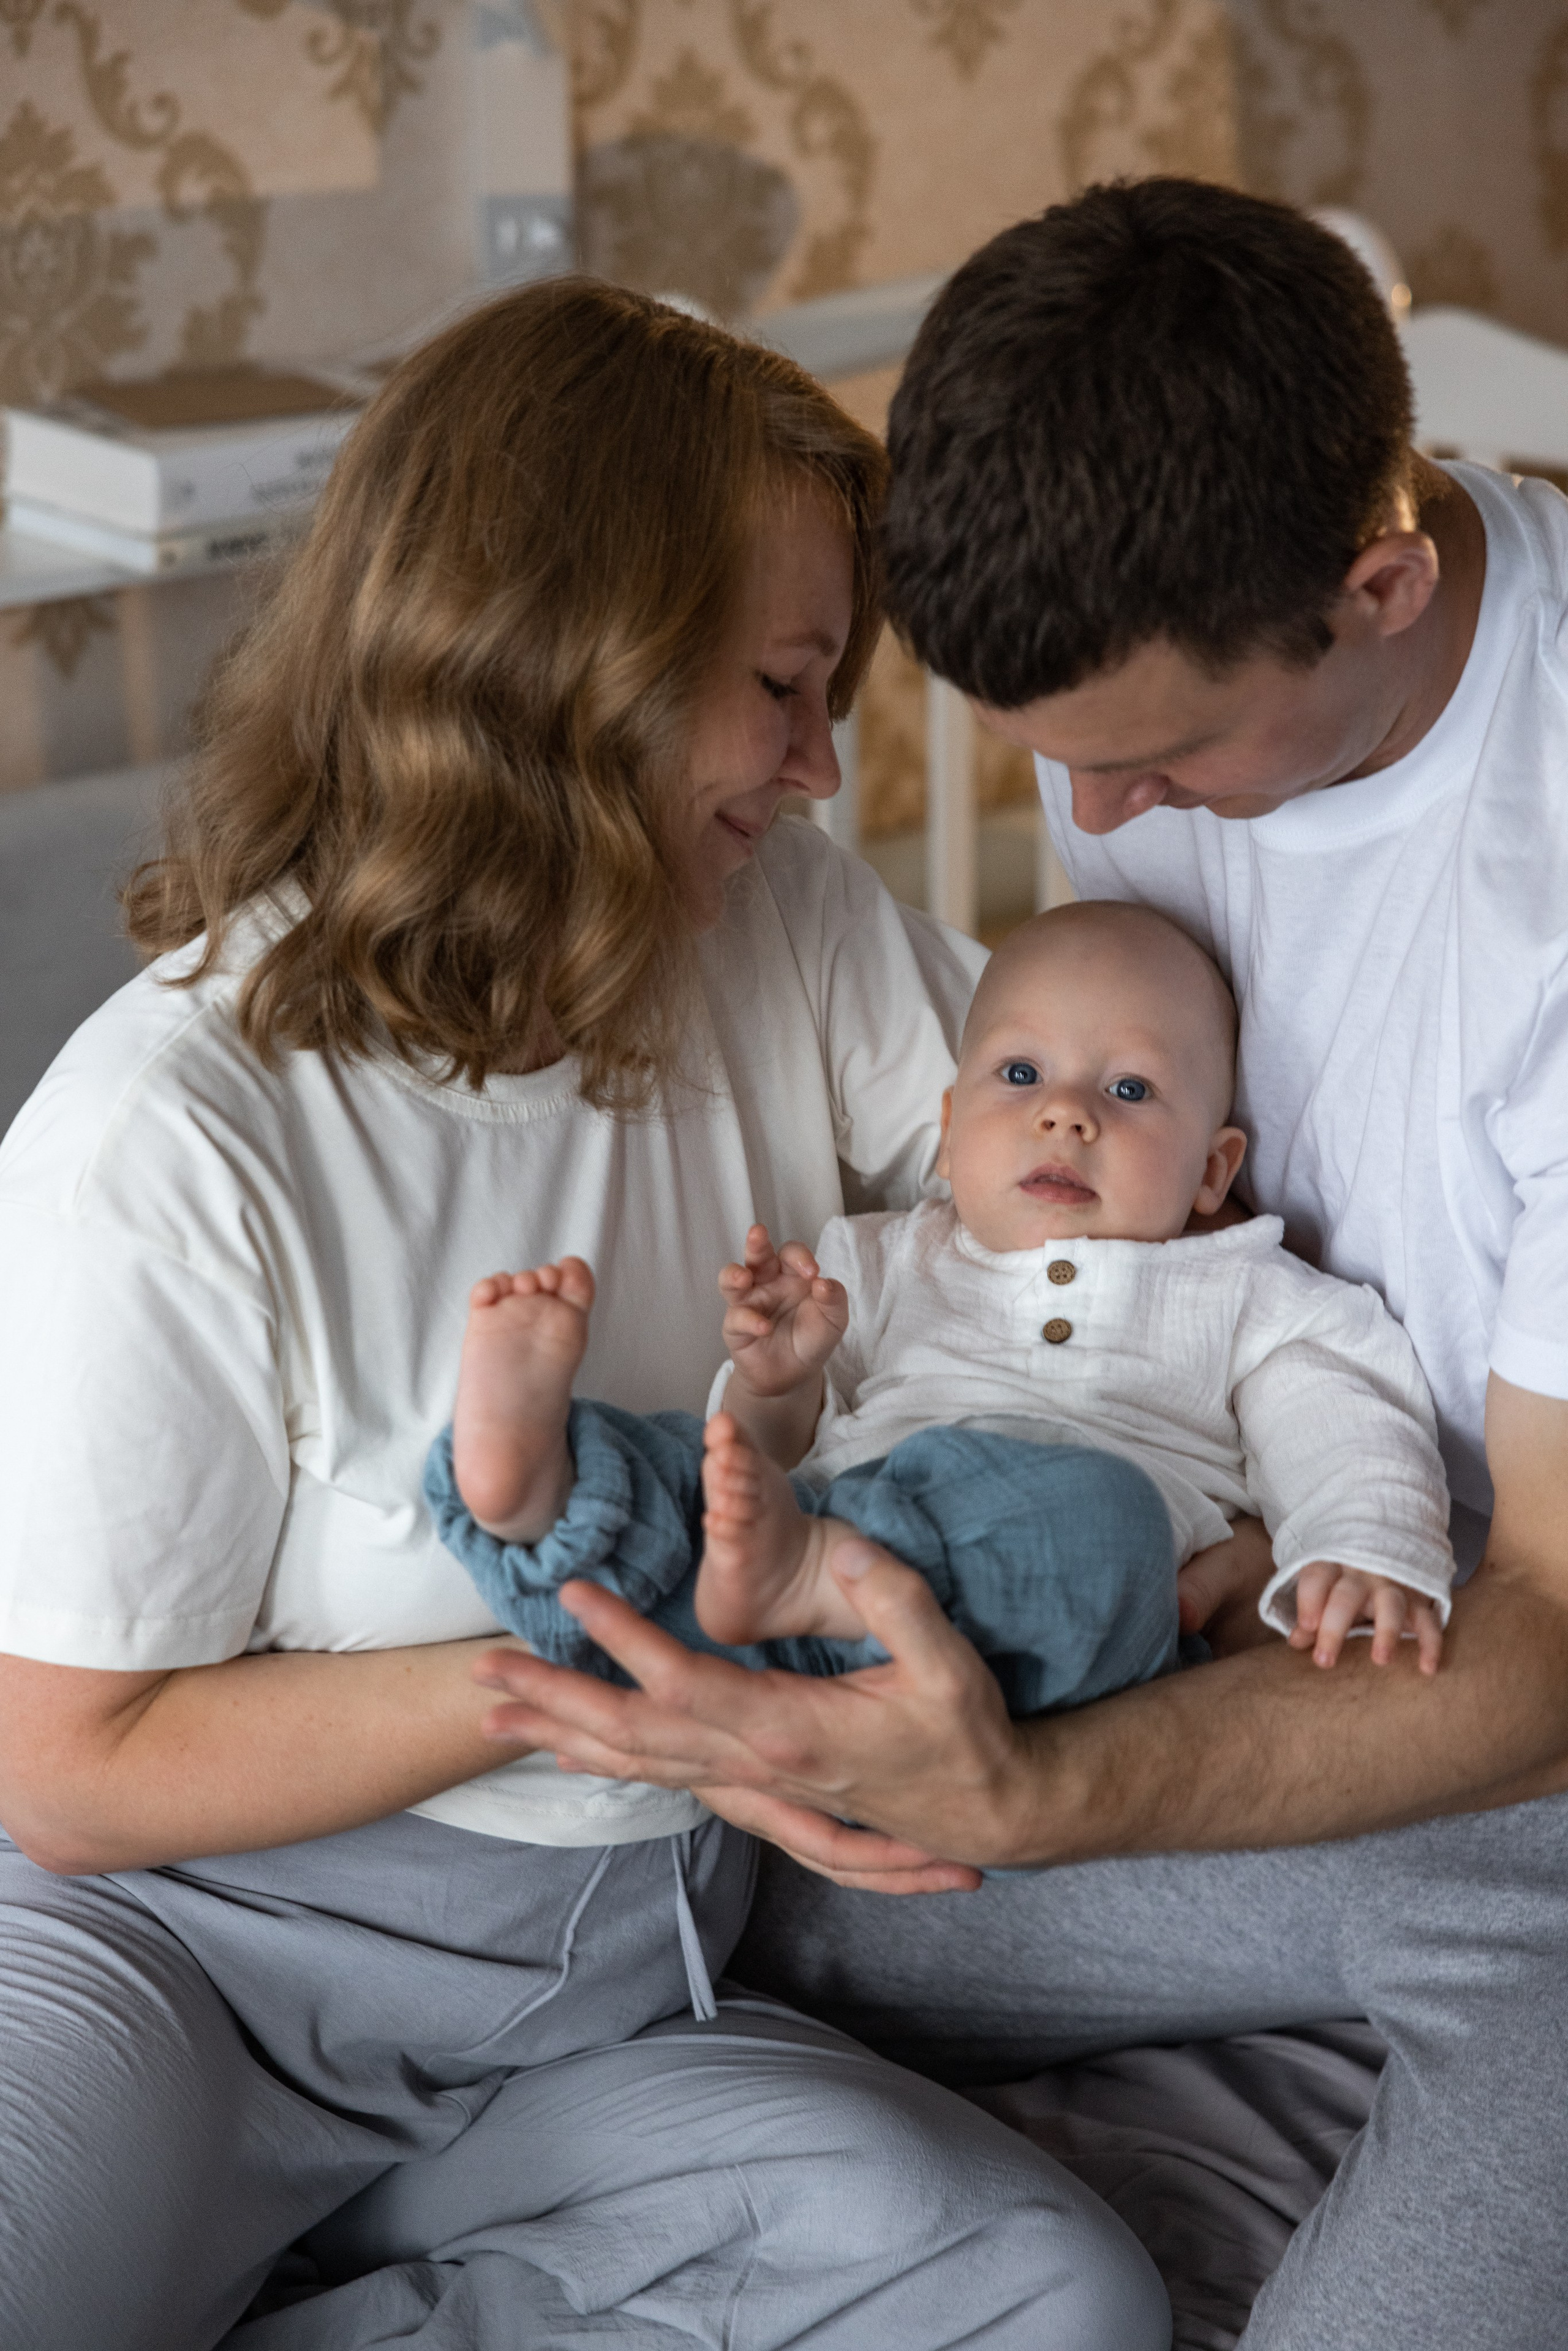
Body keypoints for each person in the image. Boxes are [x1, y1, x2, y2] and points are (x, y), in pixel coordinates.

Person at [0, 279, 1175, 2351]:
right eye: (785, 687)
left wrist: (1251, 1501)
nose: (823, 769)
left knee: (1043, 2287)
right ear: (576, 670)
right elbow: (79, 1771)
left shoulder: (779, 931)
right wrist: (617, 1687)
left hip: (604, 1990)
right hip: (185, 1959)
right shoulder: (166, 1135)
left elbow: (1082, 1210)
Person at [473, 184, 1568, 2350]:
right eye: (1051, 748)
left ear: (1382, 584)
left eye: (1152, 758)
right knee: (736, 1898)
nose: (1097, 805)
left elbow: (1555, 1635)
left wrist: (1042, 1785)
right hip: (1204, 1626)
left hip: (1500, 1708)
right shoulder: (1141, 692)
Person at [428, 899, 1450, 1710]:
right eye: (1021, 1073)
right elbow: (762, 1456)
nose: (1065, 1111)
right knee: (686, 1468)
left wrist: (1361, 1545)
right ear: (953, 1129)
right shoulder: (878, 1258)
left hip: (1033, 1619)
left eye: (1130, 1091)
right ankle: (542, 1490)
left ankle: (770, 1577)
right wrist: (776, 1379)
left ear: (1212, 1170)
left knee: (1106, 1520)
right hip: (806, 1569)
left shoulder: (1243, 1289)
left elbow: (1342, 1414)